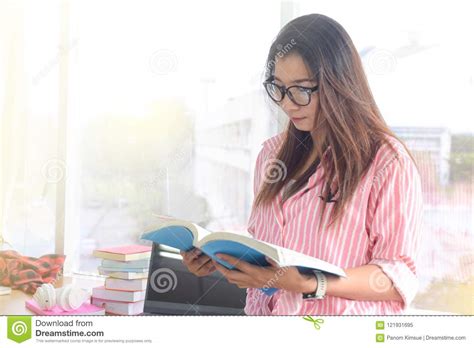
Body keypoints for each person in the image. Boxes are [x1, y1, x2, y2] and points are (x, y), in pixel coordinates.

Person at [181, 13, 423, 315]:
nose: (287, 103)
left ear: (339, 83)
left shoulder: (387, 162)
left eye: (301, 89)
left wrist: (312, 282)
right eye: (278, 87)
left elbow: (396, 275)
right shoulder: (270, 156)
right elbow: (270, 257)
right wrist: (220, 261)